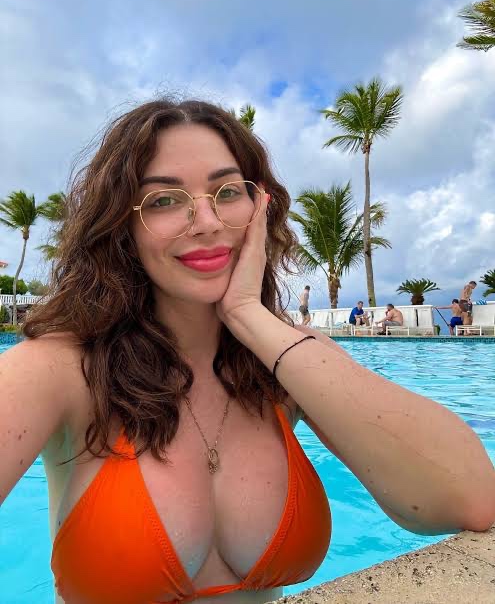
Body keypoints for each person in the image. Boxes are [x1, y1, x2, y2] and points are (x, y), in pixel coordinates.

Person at [1, 99, 494, 604]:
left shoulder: (286, 363)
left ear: (260, 207)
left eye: (228, 191)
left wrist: (248, 316)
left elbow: (468, 500)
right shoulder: (61, 371)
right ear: (121, 227)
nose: (207, 221)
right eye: (164, 200)